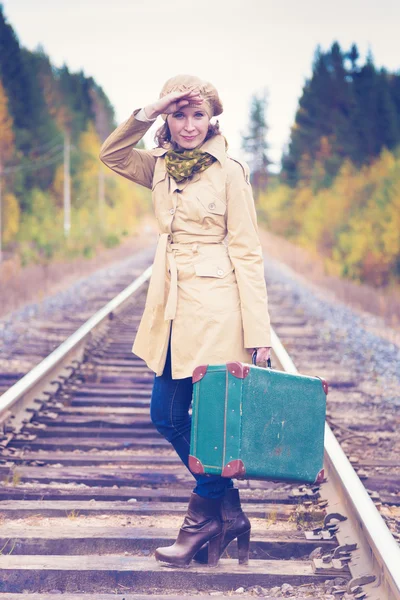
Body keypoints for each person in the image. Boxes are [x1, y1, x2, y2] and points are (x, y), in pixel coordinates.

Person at [99, 74, 272, 568]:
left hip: (219, 310)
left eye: (198, 115)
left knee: (212, 423)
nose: (190, 125)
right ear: (167, 120)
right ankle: (229, 510)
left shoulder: (230, 171)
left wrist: (257, 333)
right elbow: (111, 155)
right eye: (180, 115)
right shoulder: (156, 165)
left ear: (212, 119)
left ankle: (200, 520)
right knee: (167, 416)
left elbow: (248, 252)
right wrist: (149, 108)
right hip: (172, 305)